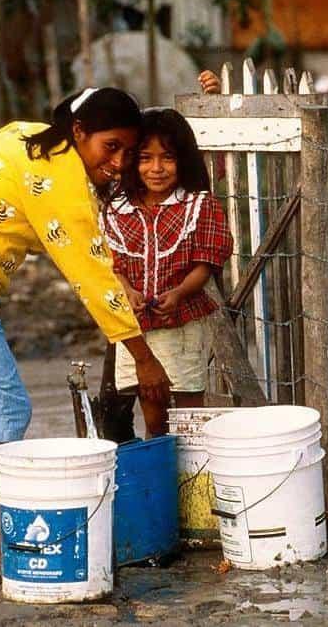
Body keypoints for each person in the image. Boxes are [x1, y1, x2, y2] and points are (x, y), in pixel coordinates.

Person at [0, 87, 173, 578]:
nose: (119, 161)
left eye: (128, 152)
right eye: (111, 147)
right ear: (79, 132)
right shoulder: (62, 182)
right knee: (4, 412)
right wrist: (143, 357)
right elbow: (88, 274)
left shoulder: (22, 136)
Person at [100, 108, 233, 437]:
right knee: (152, 407)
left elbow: (205, 264)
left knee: (188, 407)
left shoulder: (199, 206)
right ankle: (160, 475)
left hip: (181, 321)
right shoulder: (116, 210)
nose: (156, 169)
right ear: (132, 160)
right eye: (145, 158)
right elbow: (111, 263)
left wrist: (179, 293)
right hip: (138, 325)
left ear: (183, 160)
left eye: (167, 158)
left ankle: (192, 482)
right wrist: (126, 290)